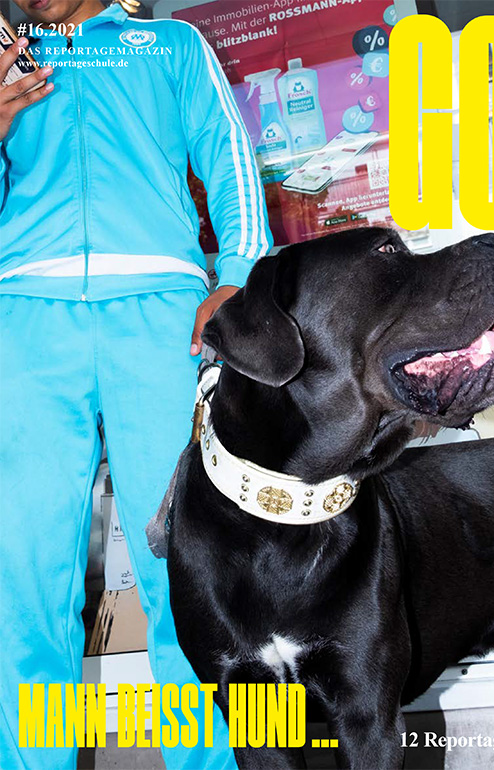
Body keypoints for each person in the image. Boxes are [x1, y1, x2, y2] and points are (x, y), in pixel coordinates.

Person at [0, 1, 272, 768]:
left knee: (194, 572)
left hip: (164, 318)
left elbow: (228, 154)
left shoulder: (170, 43)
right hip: (23, 321)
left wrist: (240, 275)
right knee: (22, 584)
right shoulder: (9, 59)